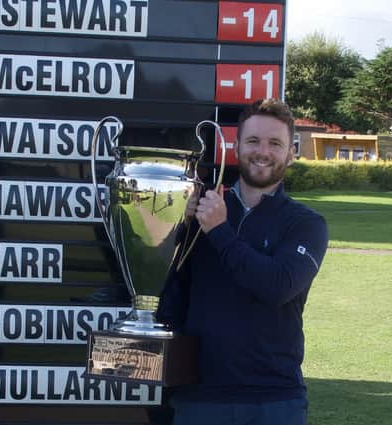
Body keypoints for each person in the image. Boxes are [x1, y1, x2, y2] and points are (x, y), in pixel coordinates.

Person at [157, 99, 329, 425]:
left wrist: (219, 231)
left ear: (291, 152)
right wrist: (176, 228)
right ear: (236, 147)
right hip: (200, 399)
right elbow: (171, 295)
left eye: (274, 143)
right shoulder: (200, 210)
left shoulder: (306, 224)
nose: (262, 151)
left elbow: (277, 286)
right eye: (253, 141)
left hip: (275, 401)